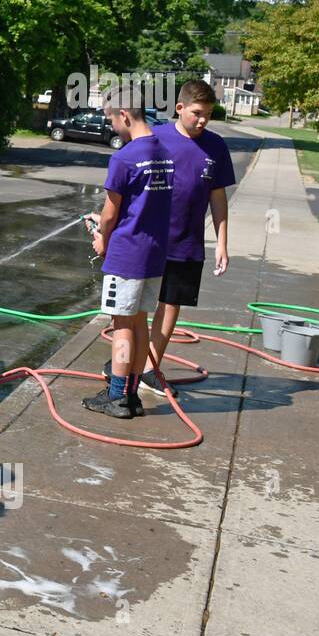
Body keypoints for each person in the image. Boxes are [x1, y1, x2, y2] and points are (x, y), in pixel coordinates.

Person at [107, 79, 234, 394]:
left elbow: (218, 198)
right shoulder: (156, 138)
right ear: (179, 108)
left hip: (187, 242)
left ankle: (150, 369)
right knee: (134, 313)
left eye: (208, 114)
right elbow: (126, 181)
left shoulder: (216, 146)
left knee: (171, 303)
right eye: (196, 113)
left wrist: (222, 242)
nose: (202, 120)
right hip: (149, 240)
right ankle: (125, 370)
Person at [84, 85, 174, 418]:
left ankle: (116, 397)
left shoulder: (124, 157)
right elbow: (142, 205)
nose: (112, 127)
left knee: (120, 324)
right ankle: (132, 394)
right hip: (153, 254)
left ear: (124, 114)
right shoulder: (164, 153)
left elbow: (110, 213)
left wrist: (101, 236)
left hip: (127, 254)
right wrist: (109, 222)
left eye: (111, 119)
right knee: (139, 323)